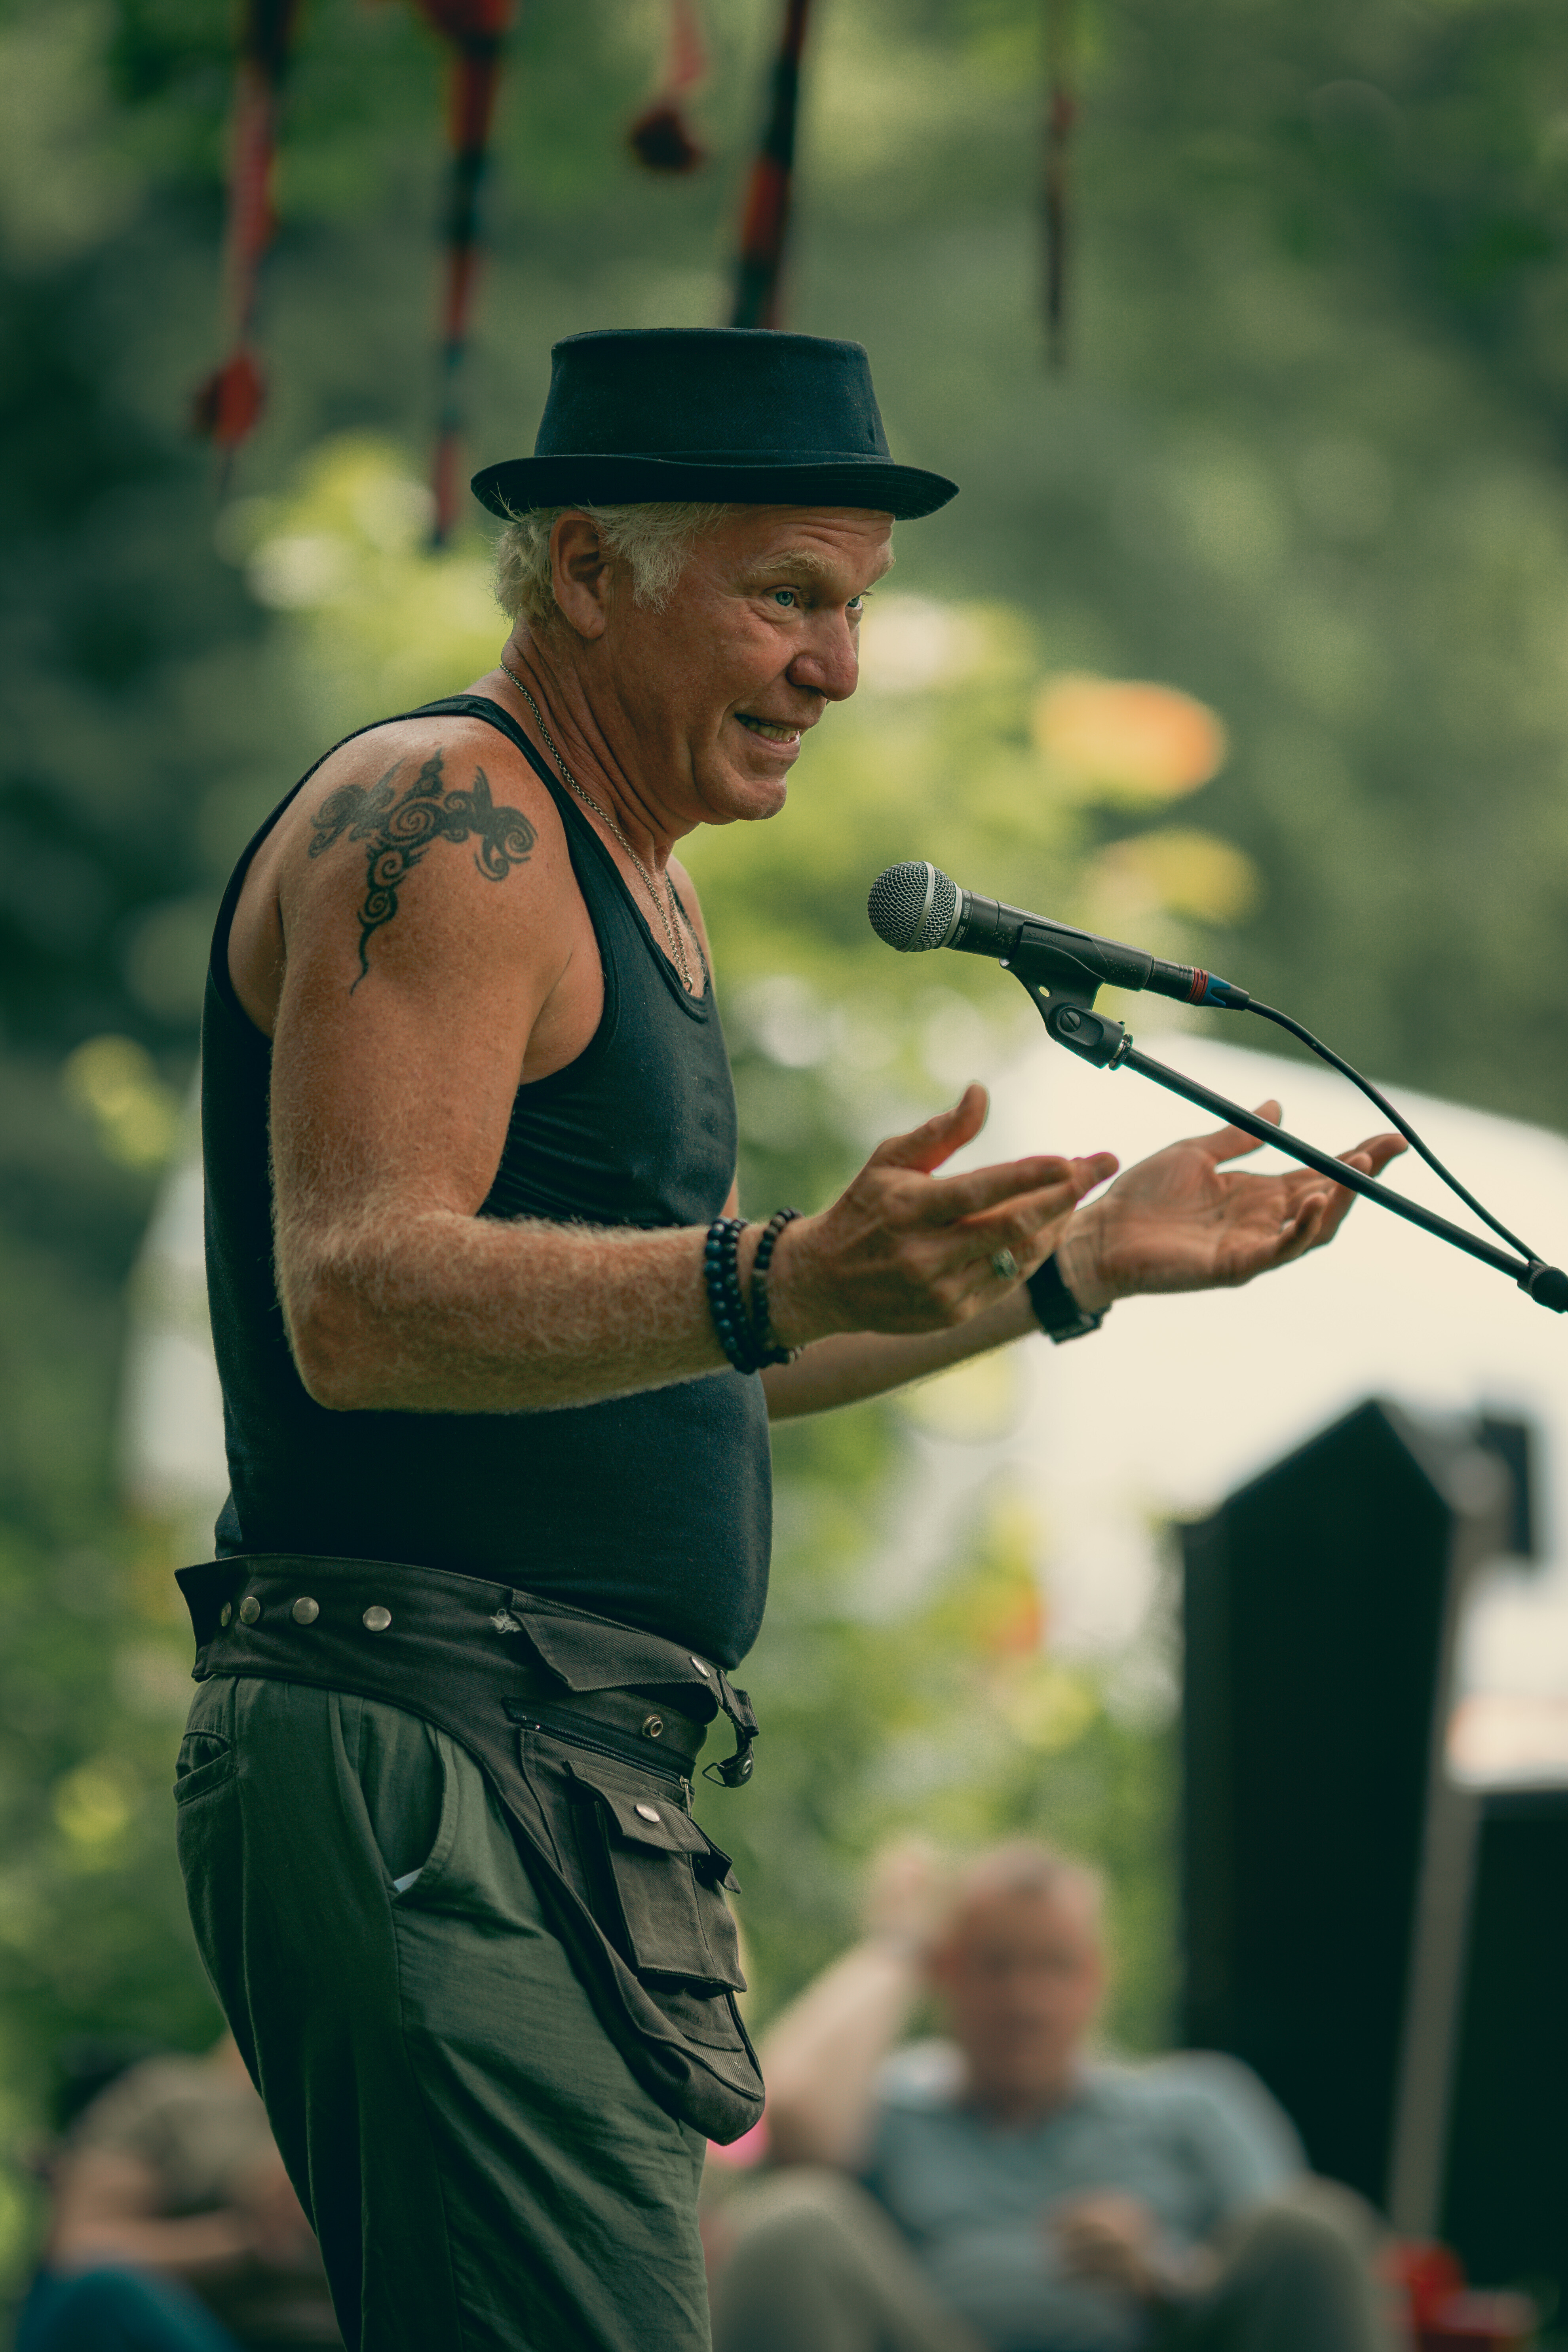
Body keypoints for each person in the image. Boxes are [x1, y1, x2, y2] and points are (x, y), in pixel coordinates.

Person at [173, 327, 1403, 2352]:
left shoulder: (639, 881)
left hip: (542, 1766)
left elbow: (680, 1353)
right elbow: (362, 1299)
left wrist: (1067, 1265)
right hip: (436, 1747)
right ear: (587, 574)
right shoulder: (451, 816)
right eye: (788, 596)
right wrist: (762, 1273)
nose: (837, 665)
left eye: (855, 611)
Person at [712, 1841, 1393, 2352]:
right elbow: (788, 2114)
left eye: (1054, 1967)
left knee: (1316, 2224)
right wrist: (898, 1944)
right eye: (996, 1966)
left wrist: (1167, 2272)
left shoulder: (1195, 2101)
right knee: (795, 2221)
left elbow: (1293, 2275)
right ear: (945, 1975)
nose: (1025, 2002)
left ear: (1097, 1979)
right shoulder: (893, 2107)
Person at [19, 2036, 340, 2352]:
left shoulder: (371, 2120)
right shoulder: (167, 2099)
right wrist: (247, 2237)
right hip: (208, 2335)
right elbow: (80, 2250)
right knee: (101, 2294)